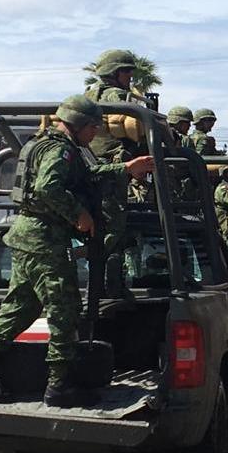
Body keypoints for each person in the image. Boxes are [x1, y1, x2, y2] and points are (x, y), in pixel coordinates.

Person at [0, 95, 154, 407]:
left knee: (20, 307)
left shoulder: (44, 144)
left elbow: (84, 176)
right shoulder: (59, 149)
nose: (95, 134)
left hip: (27, 237)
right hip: (44, 241)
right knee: (65, 310)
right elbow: (49, 188)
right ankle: (59, 387)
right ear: (78, 125)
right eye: (93, 127)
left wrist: (125, 169)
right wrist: (79, 214)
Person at [84, 48, 142, 298]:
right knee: (113, 233)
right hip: (113, 172)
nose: (130, 76)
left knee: (96, 230)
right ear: (115, 73)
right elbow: (140, 130)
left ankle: (96, 285)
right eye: (127, 71)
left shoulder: (87, 96)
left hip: (88, 170)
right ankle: (110, 289)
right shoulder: (120, 98)